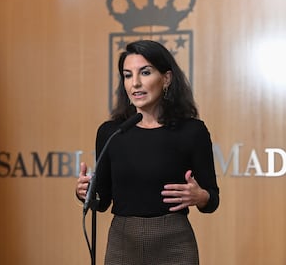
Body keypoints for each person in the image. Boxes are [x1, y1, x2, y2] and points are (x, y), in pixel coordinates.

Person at [75, 40, 219, 265]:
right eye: (128, 75)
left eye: (145, 72)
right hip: (123, 244)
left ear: (166, 79)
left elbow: (212, 199)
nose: (136, 83)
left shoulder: (192, 131)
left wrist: (200, 196)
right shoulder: (111, 133)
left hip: (175, 244)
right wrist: (85, 192)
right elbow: (101, 203)